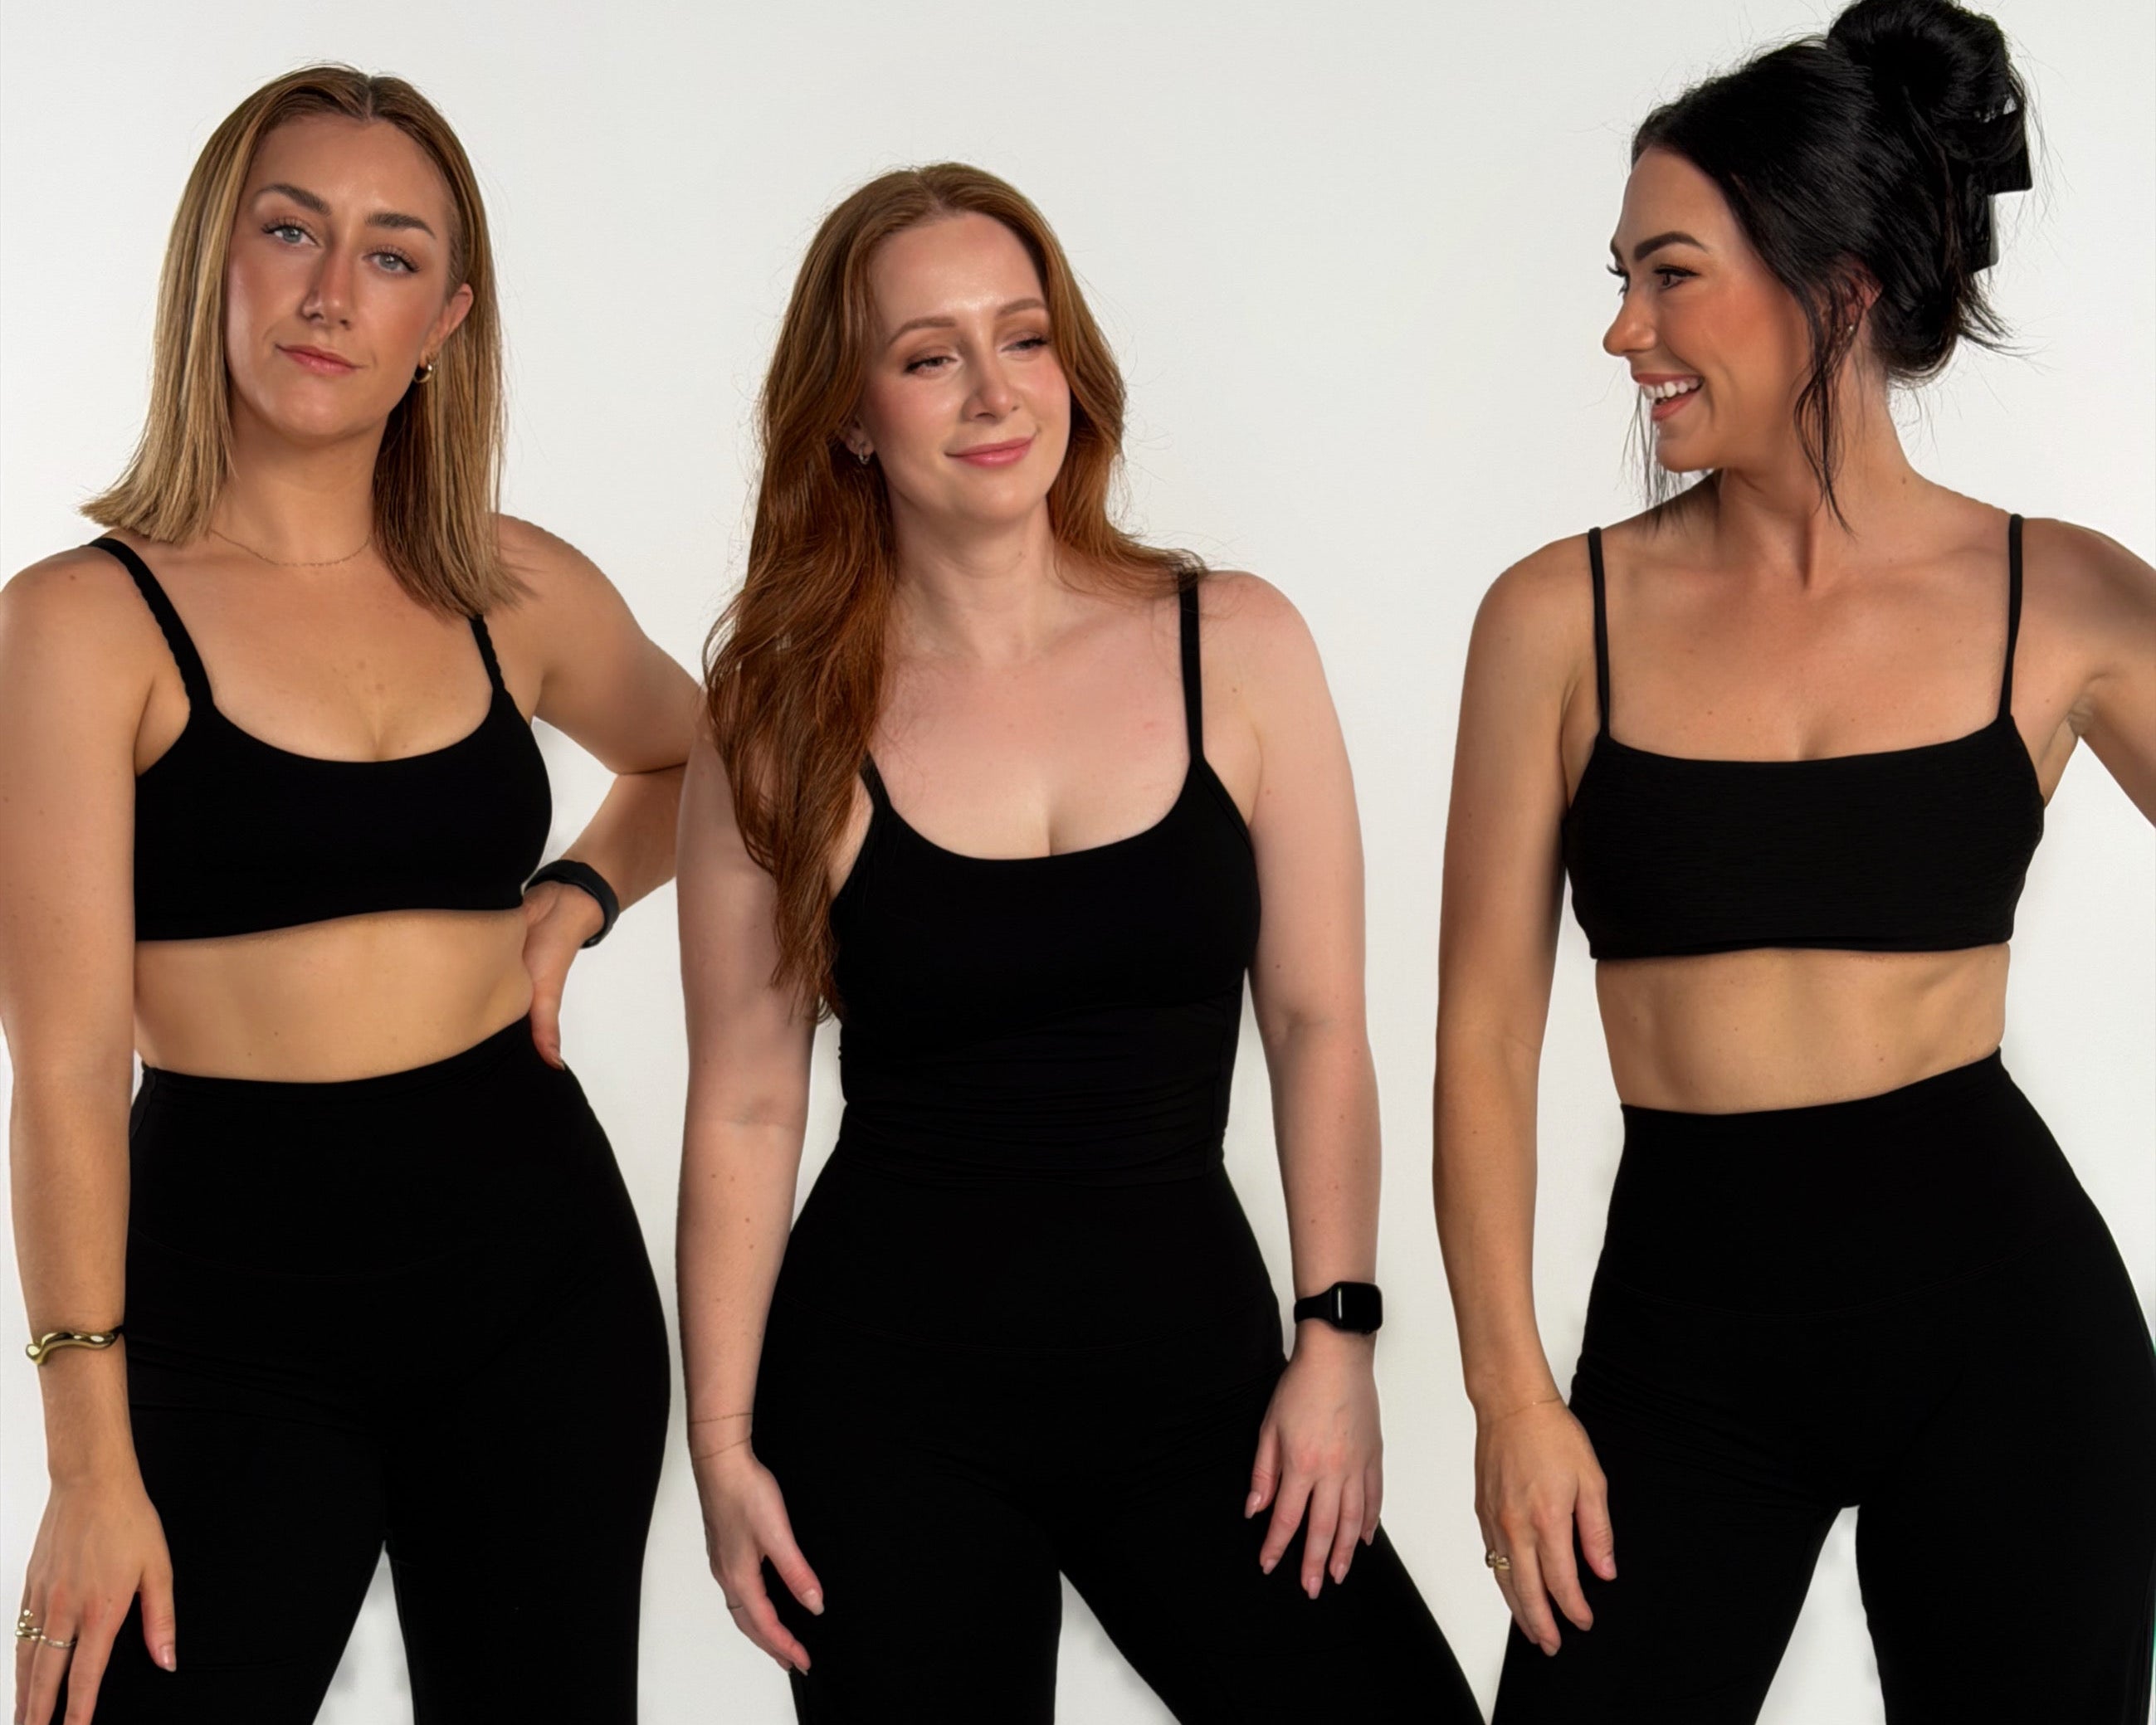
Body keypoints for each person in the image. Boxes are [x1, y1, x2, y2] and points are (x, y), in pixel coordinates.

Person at [676, 163, 1480, 1722]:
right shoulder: (778, 717)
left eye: (1023, 337)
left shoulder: (1234, 643)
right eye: (928, 355)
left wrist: (1339, 1345)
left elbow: (1317, 1022)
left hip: (1198, 1391)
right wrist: (720, 1449)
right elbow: (747, 1102)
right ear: (850, 414)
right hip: (883, 1405)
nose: (993, 392)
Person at [1432, 2, 2156, 1720]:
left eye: (1671, 274)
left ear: (1836, 281)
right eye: (1621, 275)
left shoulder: (2062, 596)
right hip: (1686, 1342)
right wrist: (1512, 1395)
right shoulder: (1558, 616)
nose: (1625, 329)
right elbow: (1480, 1040)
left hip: (2009, 1339)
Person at [0, 66, 696, 1725]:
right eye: (290, 230)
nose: (331, 292)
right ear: (213, 266)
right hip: (222, 1308)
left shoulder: (512, 582)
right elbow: (66, 1066)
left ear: (447, 317)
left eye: (391, 255)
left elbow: (719, 755)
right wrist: (88, 1462)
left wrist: (587, 884)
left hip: (537, 1283)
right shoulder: (81, 624)